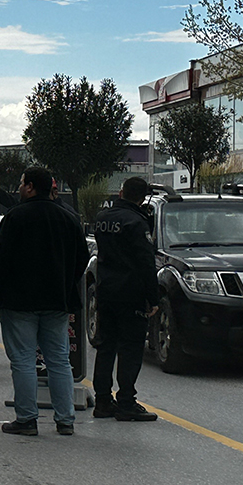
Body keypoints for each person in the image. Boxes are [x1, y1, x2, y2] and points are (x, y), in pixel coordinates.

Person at [0, 165, 88, 436]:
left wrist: (2, 289)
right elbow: (82, 258)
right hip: (57, 300)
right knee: (59, 360)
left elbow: (1, 260)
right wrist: (66, 284)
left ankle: (26, 419)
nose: (20, 187)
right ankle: (65, 419)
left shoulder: (15, 217)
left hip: (19, 301)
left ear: (31, 187)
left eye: (22, 183)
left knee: (23, 360)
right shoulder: (69, 218)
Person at [91, 176, 159, 422]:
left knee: (105, 347)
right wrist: (153, 298)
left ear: (121, 193)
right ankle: (126, 402)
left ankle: (102, 401)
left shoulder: (102, 218)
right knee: (130, 349)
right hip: (131, 294)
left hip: (106, 291)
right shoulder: (137, 222)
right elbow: (146, 262)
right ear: (142, 198)